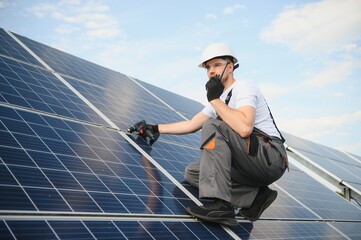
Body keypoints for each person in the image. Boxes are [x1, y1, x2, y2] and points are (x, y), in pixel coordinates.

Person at [131, 43, 288, 227]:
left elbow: (245, 128)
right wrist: (155, 128)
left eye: (217, 65)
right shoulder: (219, 100)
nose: (211, 71)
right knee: (194, 173)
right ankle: (256, 196)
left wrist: (214, 99)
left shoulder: (244, 87)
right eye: (208, 67)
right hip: (250, 162)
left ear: (230, 67)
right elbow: (191, 124)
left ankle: (221, 206)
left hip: (270, 157)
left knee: (213, 125)